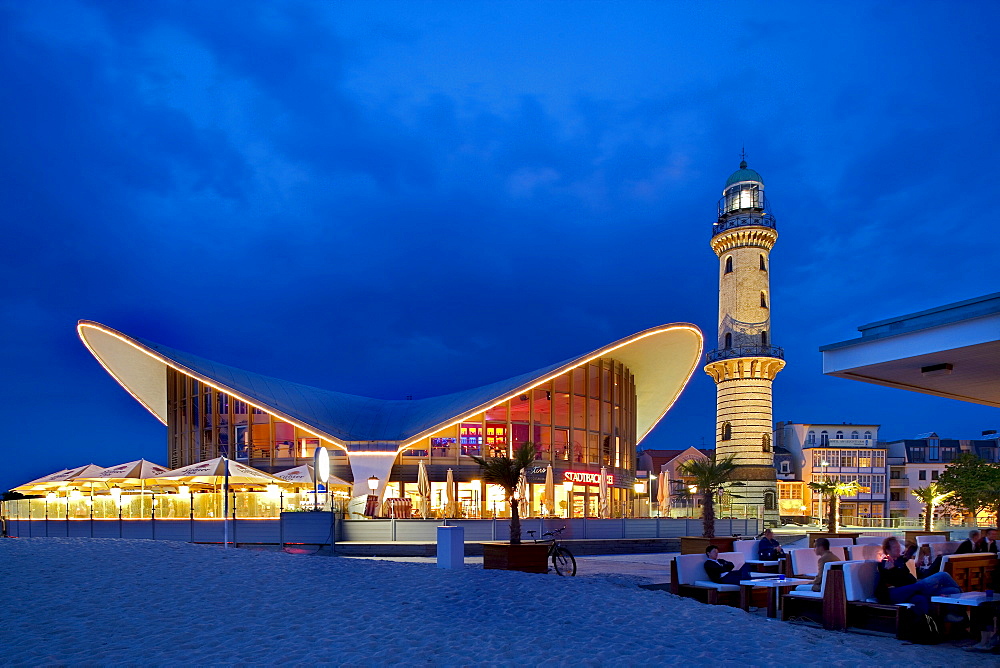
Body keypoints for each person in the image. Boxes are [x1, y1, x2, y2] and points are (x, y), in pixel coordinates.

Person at [876, 536, 962, 617]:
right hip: (894, 593)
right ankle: (959, 607)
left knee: (952, 591)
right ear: (888, 550)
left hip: (911, 590)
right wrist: (890, 570)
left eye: (898, 546)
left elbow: (908, 577)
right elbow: (892, 581)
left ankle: (932, 623)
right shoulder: (884, 563)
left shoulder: (899, 561)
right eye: (895, 547)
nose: (898, 548)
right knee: (943, 575)